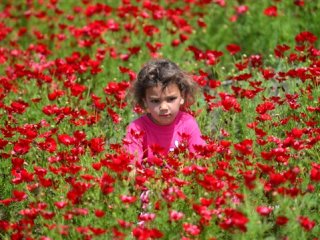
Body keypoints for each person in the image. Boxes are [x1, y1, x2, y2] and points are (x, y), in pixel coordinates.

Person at [124, 58, 206, 168]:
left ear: (182, 96)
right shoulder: (137, 129)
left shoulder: (188, 123)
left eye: (171, 99)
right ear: (145, 101)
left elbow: (200, 162)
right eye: (155, 101)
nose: (163, 107)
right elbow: (131, 168)